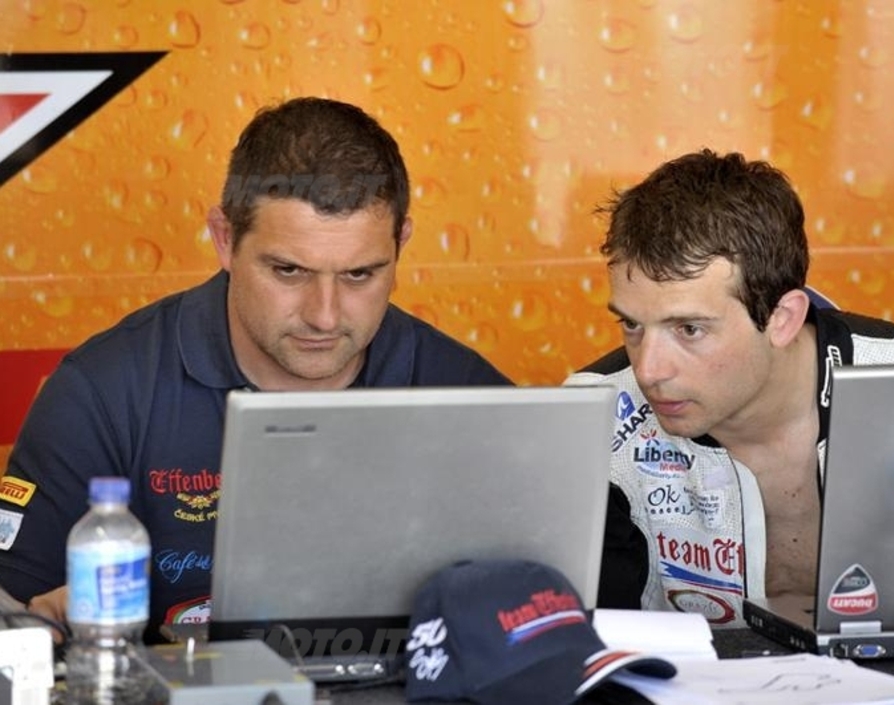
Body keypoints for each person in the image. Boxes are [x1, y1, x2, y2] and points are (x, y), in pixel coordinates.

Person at [0, 97, 511, 641]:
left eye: (360, 274)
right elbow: (15, 616)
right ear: (224, 238)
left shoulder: (471, 395)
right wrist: (42, 627)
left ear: (401, 242)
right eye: (289, 271)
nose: (324, 315)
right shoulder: (104, 393)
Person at [565, 149, 894, 626]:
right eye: (632, 325)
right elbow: (590, 641)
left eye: (689, 329)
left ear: (782, 319)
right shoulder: (595, 419)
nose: (649, 370)